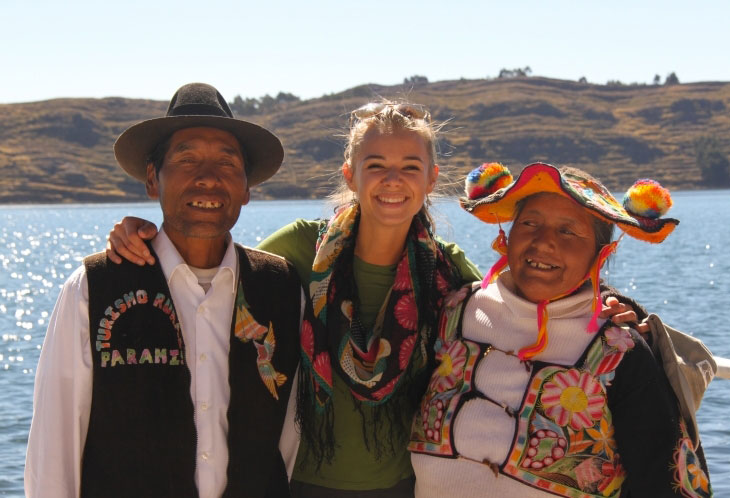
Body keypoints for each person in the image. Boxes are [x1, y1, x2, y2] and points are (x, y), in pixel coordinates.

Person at [105, 104, 639, 497]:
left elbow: (519, 315)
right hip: (296, 481)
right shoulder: (295, 251)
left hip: (402, 487)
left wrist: (606, 309)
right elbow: (206, 285)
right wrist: (145, 237)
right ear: (350, 175)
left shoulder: (449, 272)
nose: (392, 179)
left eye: (410, 166)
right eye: (376, 163)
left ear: (431, 179)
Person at [25, 83, 304, 498]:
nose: (207, 178)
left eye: (227, 163)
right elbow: (54, 452)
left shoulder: (280, 288)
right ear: (153, 180)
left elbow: (288, 444)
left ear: (247, 189)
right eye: (186, 159)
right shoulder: (93, 289)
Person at [409, 162, 712, 497]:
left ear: (601, 254)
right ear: (506, 237)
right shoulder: (453, 313)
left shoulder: (618, 351)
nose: (544, 242)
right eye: (529, 223)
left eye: (567, 231)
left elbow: (664, 483)